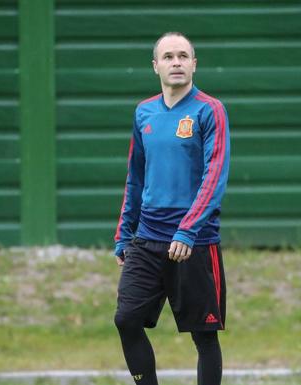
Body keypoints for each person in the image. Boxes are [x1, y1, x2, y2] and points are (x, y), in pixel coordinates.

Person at [113, 31, 230, 385]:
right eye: (168, 57)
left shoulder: (210, 110)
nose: (176, 62)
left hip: (194, 242)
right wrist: (124, 233)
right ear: (156, 66)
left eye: (183, 56)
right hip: (147, 239)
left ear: (194, 64)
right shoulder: (143, 112)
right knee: (126, 320)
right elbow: (135, 176)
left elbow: (215, 175)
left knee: (203, 335)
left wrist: (187, 229)